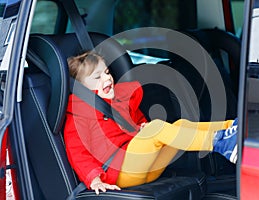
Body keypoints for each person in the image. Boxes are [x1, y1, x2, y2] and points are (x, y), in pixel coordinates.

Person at [64, 51, 238, 195]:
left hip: (146, 167)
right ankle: (220, 143)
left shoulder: (119, 101)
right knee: (157, 128)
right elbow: (77, 154)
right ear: (82, 89)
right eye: (97, 77)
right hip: (118, 173)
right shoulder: (78, 117)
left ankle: (232, 127)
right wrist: (94, 179)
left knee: (180, 125)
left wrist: (142, 127)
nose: (107, 79)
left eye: (107, 73)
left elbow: (138, 121)